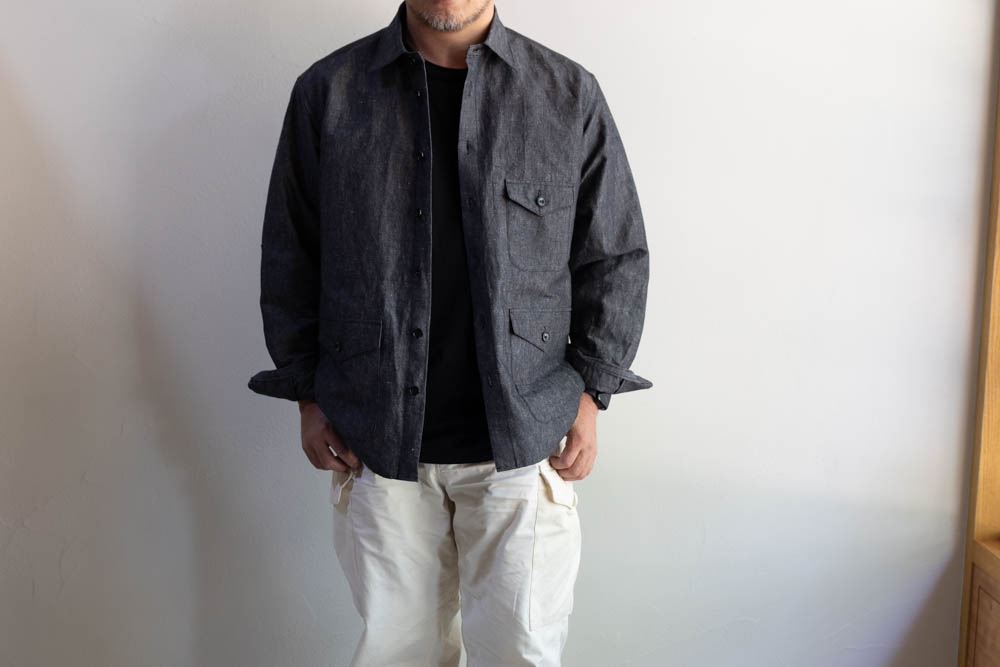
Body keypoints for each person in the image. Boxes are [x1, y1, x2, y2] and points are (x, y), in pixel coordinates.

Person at [248, 1, 652, 664]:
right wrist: (306, 394)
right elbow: (291, 251)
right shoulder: (329, 92)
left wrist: (591, 395)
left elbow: (613, 255)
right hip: (375, 441)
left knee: (520, 653)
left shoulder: (565, 94)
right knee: (396, 653)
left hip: (525, 444)